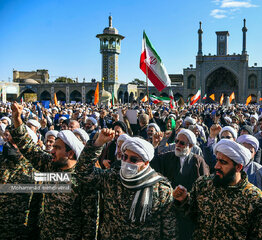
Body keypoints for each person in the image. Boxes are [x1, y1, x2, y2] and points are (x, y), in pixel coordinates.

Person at [9, 102, 89, 240]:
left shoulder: (83, 177)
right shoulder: (50, 165)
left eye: (57, 148)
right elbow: (27, 146)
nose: (51, 150)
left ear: (70, 154)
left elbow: (90, 219)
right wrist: (17, 119)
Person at [75, 131, 176, 239]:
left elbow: (169, 230)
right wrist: (98, 143)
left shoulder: (161, 189)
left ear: (146, 162)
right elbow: (83, 173)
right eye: (125, 157)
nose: (127, 161)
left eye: (133, 160)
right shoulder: (112, 178)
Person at [173, 139, 262, 239]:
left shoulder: (254, 198)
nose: (216, 166)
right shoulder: (203, 184)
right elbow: (191, 216)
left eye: (223, 162)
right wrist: (183, 200)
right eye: (217, 160)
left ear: (239, 167)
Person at [151, 129, 209, 240]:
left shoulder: (198, 161)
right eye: (176, 141)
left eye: (182, 143)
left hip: (188, 211)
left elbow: (205, 186)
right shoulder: (167, 157)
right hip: (169, 210)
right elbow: (152, 163)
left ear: (191, 145)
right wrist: (155, 145)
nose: (177, 145)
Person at [237, 134, 262, 201]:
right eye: (243, 150)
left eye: (250, 151)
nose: (246, 154)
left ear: (255, 153)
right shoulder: (229, 167)